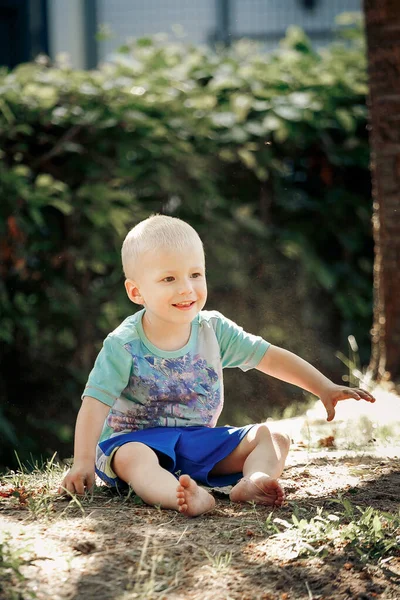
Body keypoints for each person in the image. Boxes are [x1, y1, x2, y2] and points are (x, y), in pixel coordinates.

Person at [60, 215, 375, 517]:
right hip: (133, 443)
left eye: (195, 274)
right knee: (135, 457)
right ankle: (182, 497)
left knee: (272, 436)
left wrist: (323, 387)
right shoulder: (124, 344)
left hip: (197, 442)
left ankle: (252, 483)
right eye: (169, 278)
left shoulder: (213, 330)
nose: (186, 288)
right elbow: (94, 404)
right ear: (136, 291)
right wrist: (84, 462)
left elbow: (270, 356)